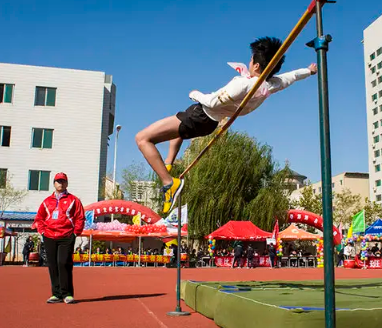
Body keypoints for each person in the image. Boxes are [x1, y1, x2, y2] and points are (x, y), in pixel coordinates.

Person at [135, 37, 318, 214]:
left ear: (255, 65)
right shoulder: (270, 85)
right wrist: (308, 71)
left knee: (142, 138)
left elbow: (212, 102)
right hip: (208, 122)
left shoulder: (243, 85)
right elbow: (291, 77)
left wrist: (195, 94)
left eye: (251, 58)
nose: (249, 60)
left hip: (201, 115)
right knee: (176, 129)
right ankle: (168, 164)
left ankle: (169, 183)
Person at [33, 173, 85, 304]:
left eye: (63, 181)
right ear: (54, 183)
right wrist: (42, 231)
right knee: (52, 264)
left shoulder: (73, 200)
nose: (60, 184)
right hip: (49, 236)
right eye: (58, 181)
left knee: (63, 263)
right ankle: (56, 294)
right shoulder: (46, 201)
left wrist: (75, 233)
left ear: (66, 184)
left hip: (66, 235)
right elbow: (39, 218)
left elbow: (80, 217)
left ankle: (67, 294)